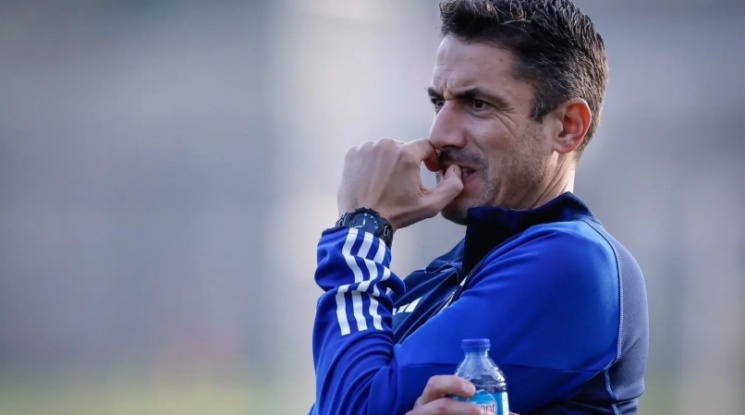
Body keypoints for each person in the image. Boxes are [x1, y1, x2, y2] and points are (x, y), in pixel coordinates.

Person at [307, 0, 648, 414]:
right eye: (439, 103)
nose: (440, 135)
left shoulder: (574, 260)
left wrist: (362, 228)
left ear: (567, 126)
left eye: (478, 104)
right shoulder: (441, 277)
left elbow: (351, 406)